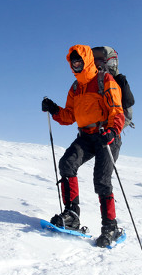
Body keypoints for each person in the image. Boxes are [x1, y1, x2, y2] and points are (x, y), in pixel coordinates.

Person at [42, 44, 125, 247]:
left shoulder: (105, 80)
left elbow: (117, 111)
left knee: (102, 180)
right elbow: (70, 116)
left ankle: (110, 227)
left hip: (106, 136)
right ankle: (71, 215)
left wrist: (112, 131)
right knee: (67, 163)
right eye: (73, 62)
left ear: (87, 60)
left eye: (79, 61)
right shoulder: (75, 87)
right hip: (86, 136)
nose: (76, 64)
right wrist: (54, 109)